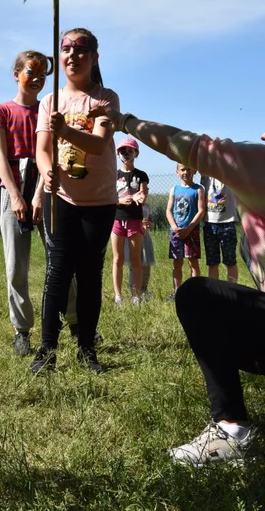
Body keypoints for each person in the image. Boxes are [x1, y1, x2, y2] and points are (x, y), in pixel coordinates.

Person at [91, 104, 265, 467]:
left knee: (197, 295)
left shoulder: (257, 163)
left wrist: (125, 121)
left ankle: (231, 430)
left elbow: (181, 142)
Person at [32, 27, 119, 374]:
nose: (72, 55)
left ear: (94, 58)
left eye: (81, 49)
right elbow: (41, 150)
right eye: (66, 48)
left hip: (98, 201)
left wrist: (64, 130)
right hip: (62, 198)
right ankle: (46, 351)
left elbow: (98, 145)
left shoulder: (106, 98)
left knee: (89, 274)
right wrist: (45, 169)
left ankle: (87, 349)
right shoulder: (50, 101)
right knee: (57, 273)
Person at [0, 50, 77, 356]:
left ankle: (77, 323)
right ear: (16, 74)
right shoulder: (1, 111)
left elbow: (50, 152)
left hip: (47, 191)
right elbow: (1, 156)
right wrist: (15, 195)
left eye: (43, 75)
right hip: (12, 192)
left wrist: (40, 193)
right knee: (16, 266)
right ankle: (22, 330)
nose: (37, 80)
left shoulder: (49, 110)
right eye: (31, 72)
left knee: (61, 261)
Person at [111, 137, 148, 306]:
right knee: (117, 259)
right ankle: (118, 295)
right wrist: (119, 201)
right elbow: (107, 195)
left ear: (136, 153)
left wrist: (136, 197)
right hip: (117, 220)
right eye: (122, 151)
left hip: (135, 220)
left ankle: (136, 295)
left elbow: (143, 194)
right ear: (118, 154)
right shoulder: (113, 174)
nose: (126, 154)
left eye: (129, 151)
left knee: (135, 260)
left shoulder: (141, 175)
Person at [165, 164, 205, 300]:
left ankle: (195, 292)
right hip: (176, 232)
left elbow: (201, 210)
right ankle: (177, 292)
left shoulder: (198, 189)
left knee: (193, 263)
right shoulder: (174, 189)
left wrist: (189, 228)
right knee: (177, 263)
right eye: (182, 169)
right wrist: (174, 227)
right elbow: (169, 210)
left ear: (194, 170)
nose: (186, 172)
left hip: (191, 232)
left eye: (189, 168)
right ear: (177, 172)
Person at [200, 175, 239, 283]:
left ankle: (232, 292)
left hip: (228, 223)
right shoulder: (205, 176)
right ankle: (215, 294)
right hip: (210, 225)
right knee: (212, 263)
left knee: (230, 261)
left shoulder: (229, 174)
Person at [124, 201, 155, 299]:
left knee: (146, 265)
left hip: (145, 238)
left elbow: (152, 224)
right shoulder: (130, 205)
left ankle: (144, 290)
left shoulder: (147, 206)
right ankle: (134, 291)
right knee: (133, 265)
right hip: (133, 237)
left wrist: (149, 224)